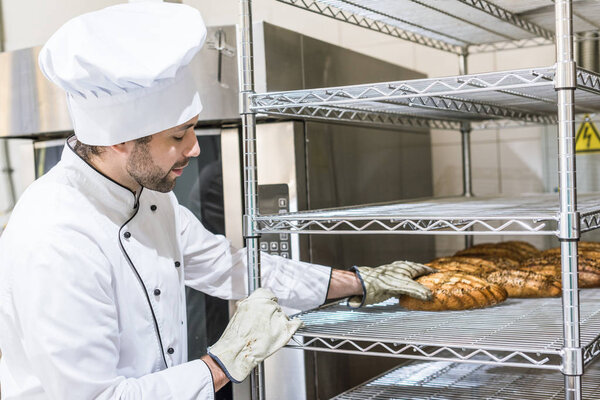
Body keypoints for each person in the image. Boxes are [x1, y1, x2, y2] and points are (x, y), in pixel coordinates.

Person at [0, 3, 434, 399]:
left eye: (193, 129)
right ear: (119, 142)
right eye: (178, 136)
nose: (195, 148)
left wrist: (359, 282)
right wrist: (224, 363)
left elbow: (230, 266)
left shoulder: (148, 197)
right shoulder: (56, 240)